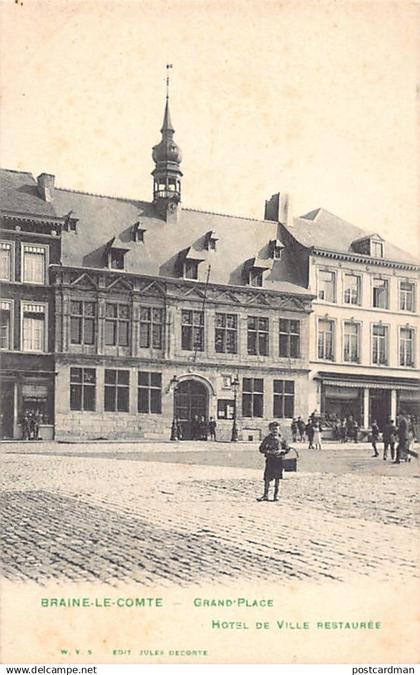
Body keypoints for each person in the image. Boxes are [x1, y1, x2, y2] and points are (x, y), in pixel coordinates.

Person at [257, 422, 290, 502]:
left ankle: (276, 495)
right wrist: (268, 452)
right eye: (273, 429)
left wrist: (281, 451)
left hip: (279, 460)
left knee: (277, 478)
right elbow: (261, 449)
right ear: (270, 430)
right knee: (267, 478)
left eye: (277, 429)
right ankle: (265, 495)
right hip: (270, 460)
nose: (275, 430)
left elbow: (287, 449)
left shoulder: (282, 438)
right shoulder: (267, 439)